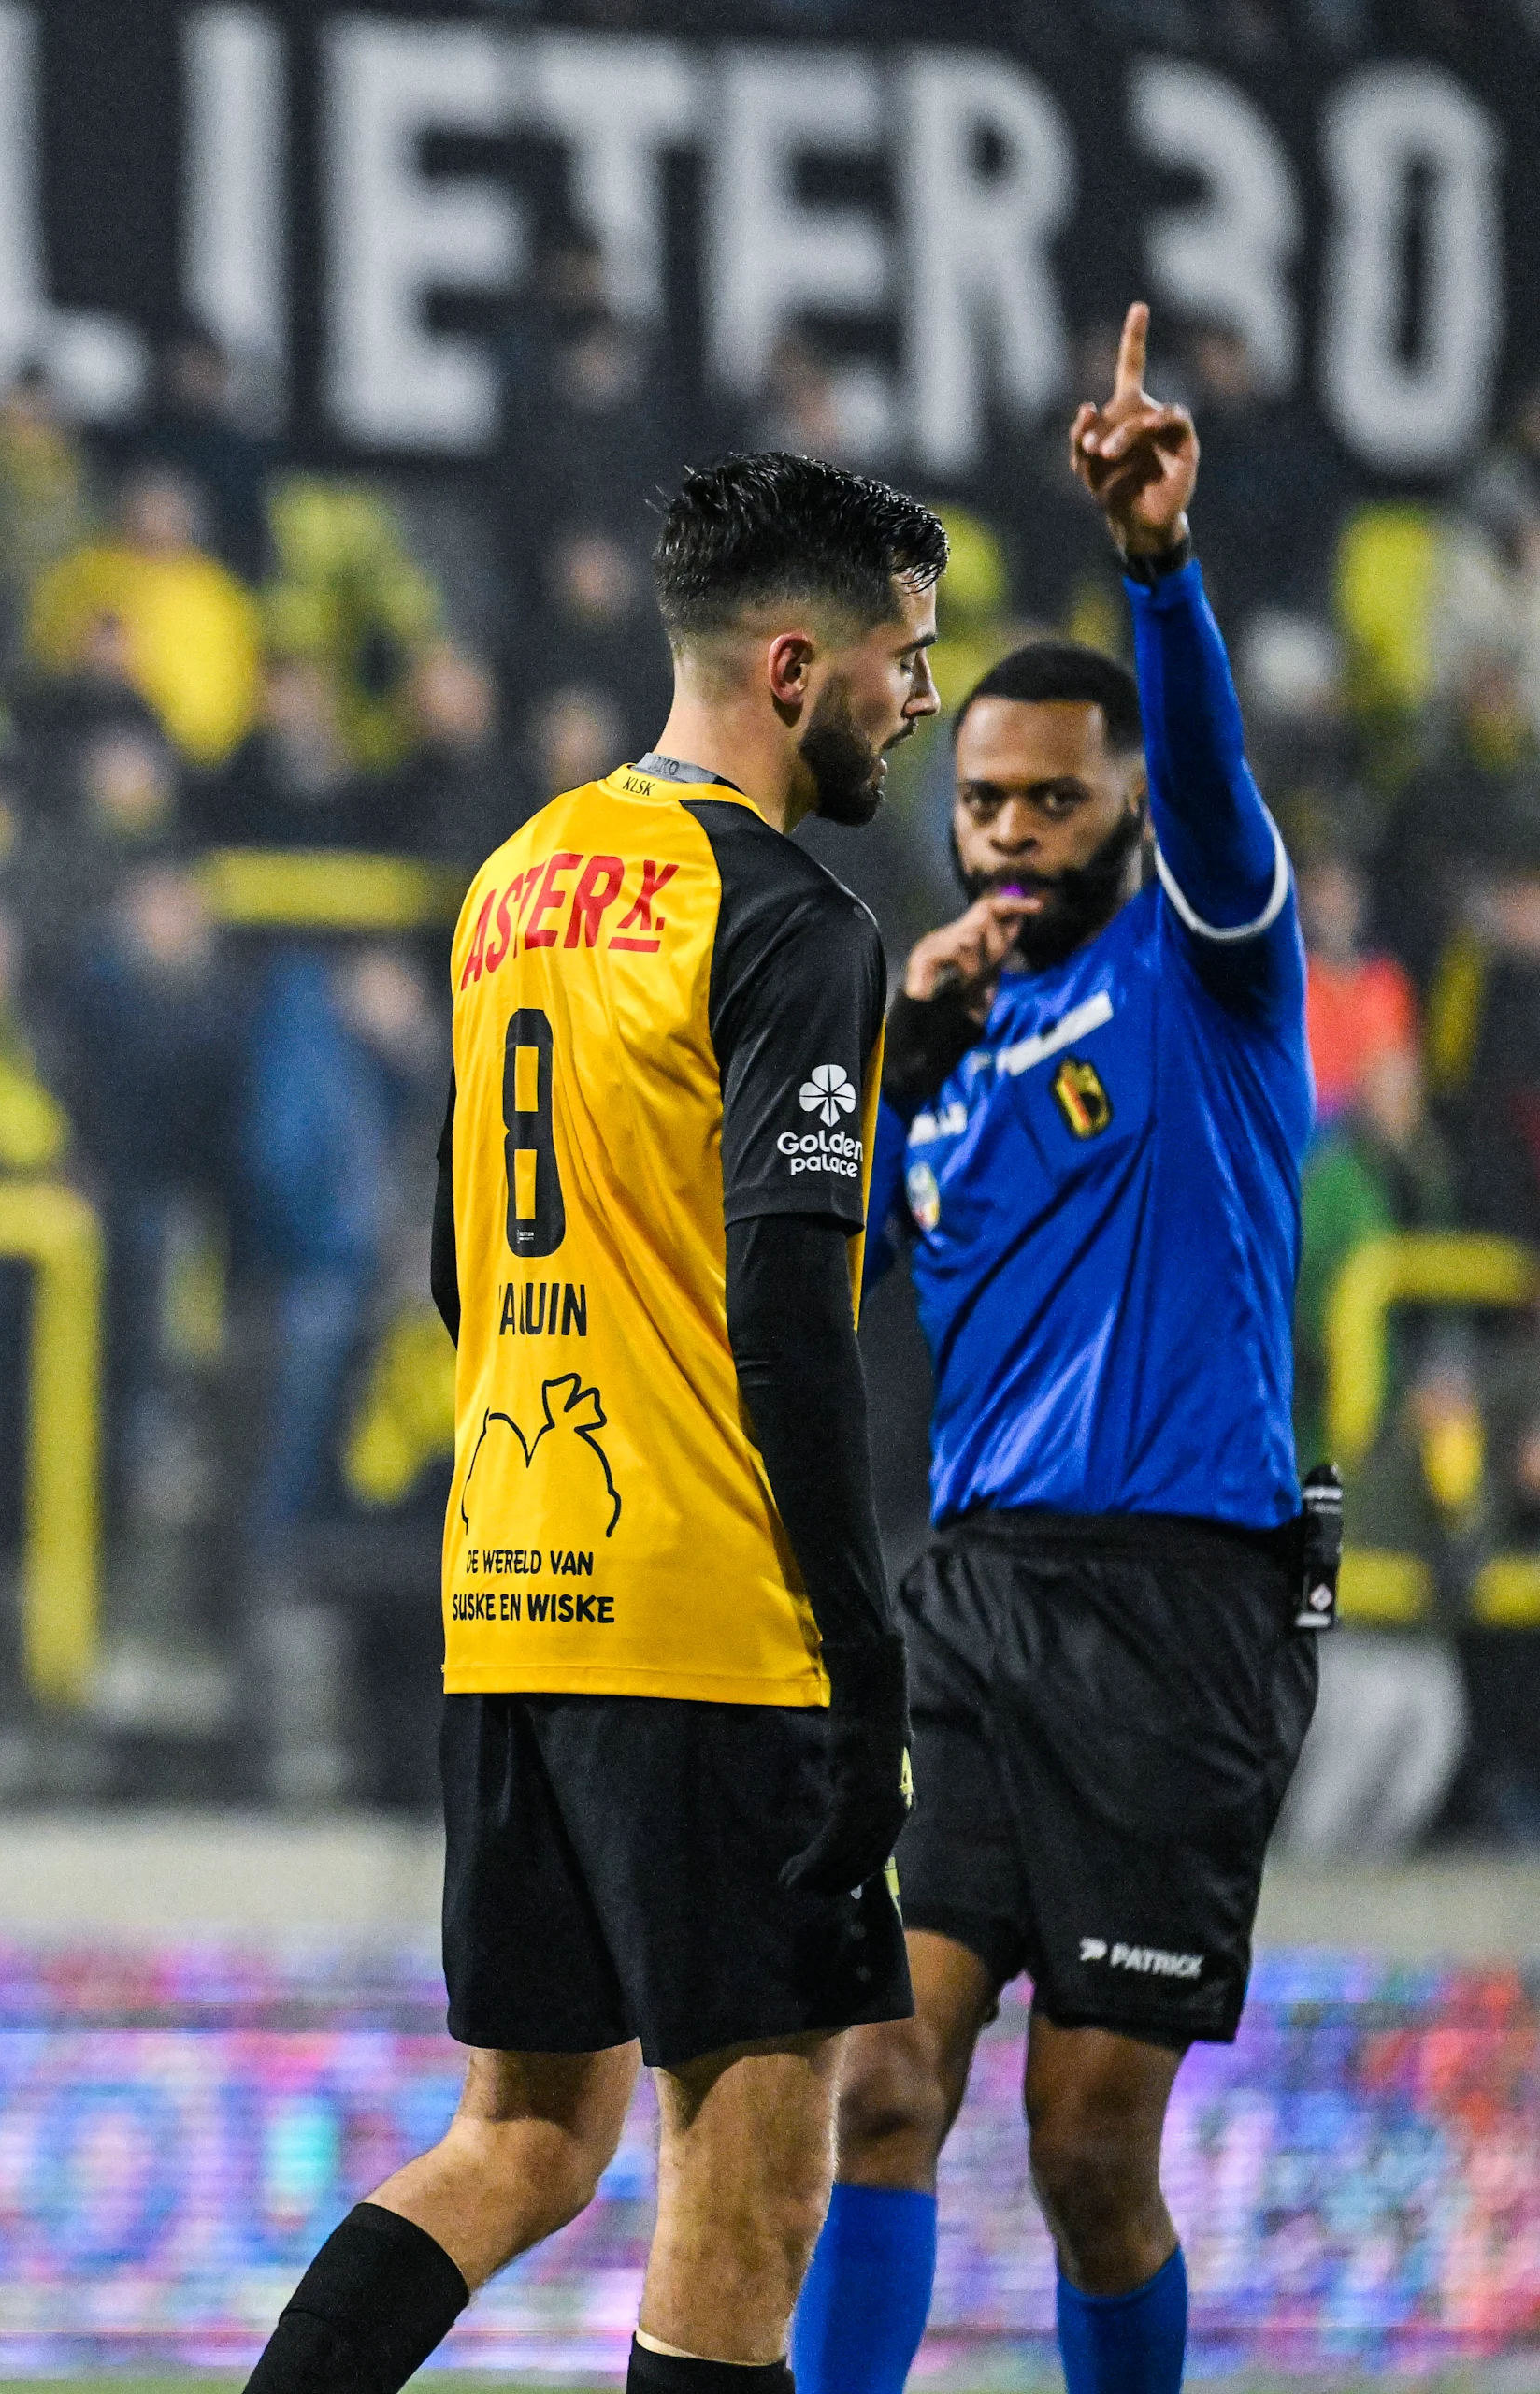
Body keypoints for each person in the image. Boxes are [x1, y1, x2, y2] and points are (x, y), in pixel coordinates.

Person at [247, 449, 943, 2394]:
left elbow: (469, 1270)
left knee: (524, 2135)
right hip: (710, 1617)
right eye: (905, 656)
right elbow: (793, 1315)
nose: (922, 699)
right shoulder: (795, 912)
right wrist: (862, 1651)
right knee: (748, 2188)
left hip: (513, 1581)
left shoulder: (514, 878)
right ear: (795, 665)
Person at [797, 306, 1319, 2394]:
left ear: (1119, 813)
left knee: (1088, 2142)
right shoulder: (962, 1054)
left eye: (1050, 800)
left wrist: (1159, 575)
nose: (1007, 828)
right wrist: (900, 1048)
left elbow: (1201, 777)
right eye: (983, 797)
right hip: (979, 1600)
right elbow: (834, 1292)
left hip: (1182, 1603)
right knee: (879, 2090)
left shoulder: (1215, 977)